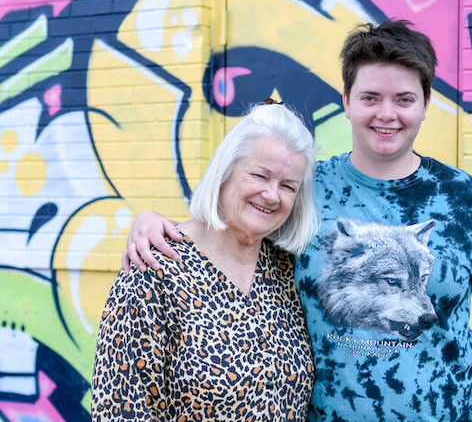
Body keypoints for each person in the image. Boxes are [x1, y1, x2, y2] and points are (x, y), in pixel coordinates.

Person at [122, 19, 472, 422]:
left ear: (424, 104)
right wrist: (154, 222)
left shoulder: (465, 199)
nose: (387, 114)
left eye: (404, 99)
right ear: (347, 101)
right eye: (370, 97)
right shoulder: (304, 190)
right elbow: (233, 225)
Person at [92, 101, 318, 421]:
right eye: (259, 175)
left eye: (287, 186)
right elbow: (121, 411)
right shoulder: (153, 272)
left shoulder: (287, 271)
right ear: (224, 171)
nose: (271, 195)